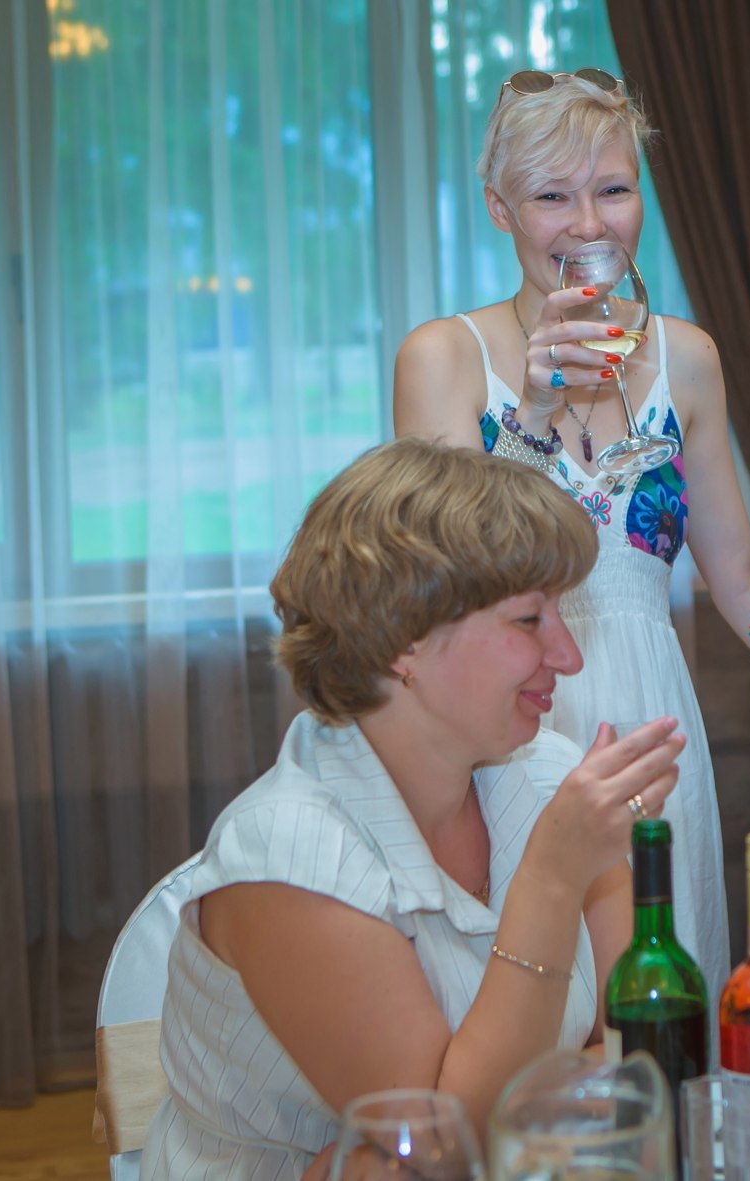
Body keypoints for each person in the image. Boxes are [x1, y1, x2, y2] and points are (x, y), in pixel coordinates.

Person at [141, 439, 686, 1179]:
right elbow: (444, 1154)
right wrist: (553, 879)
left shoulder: (551, 777)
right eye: (530, 619)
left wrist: (481, 1117)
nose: (569, 656)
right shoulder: (288, 857)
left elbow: (640, 1059)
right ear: (403, 639)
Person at [393, 68, 750, 986]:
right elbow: (449, 581)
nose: (590, 225)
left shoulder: (687, 358)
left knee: (662, 1005)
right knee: (536, 1009)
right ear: (501, 208)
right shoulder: (443, 359)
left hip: (653, 732)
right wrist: (535, 412)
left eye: (614, 189)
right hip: (508, 737)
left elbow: (743, 579)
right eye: (552, 196)